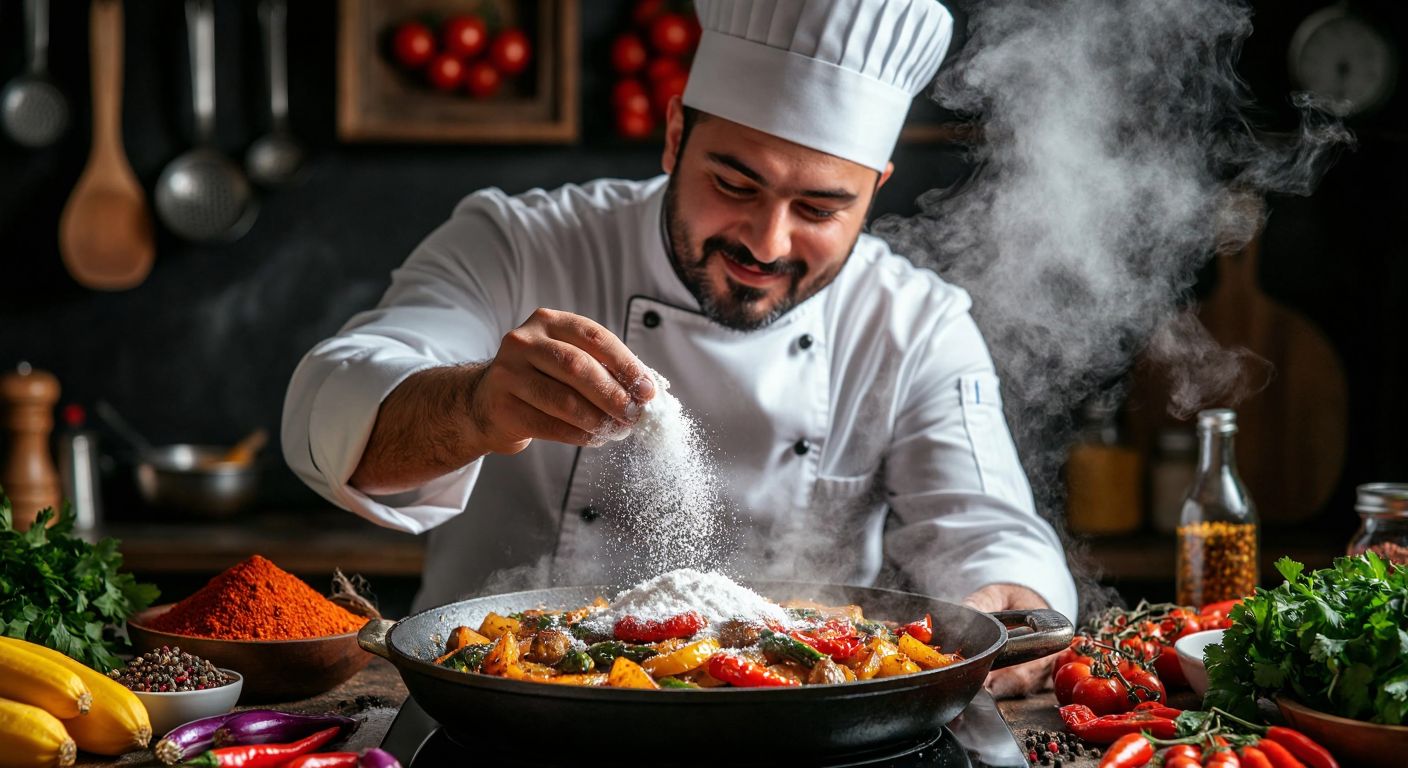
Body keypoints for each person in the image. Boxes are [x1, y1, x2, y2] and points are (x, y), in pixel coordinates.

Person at [282, 0, 1077, 696]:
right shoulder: (518, 245)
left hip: (805, 735)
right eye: (734, 185)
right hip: (500, 720)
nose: (767, 242)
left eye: (820, 207)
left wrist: (1006, 599)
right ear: (673, 137)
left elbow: (986, 530)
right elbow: (331, 413)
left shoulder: (915, 323)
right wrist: (473, 405)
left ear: (876, 188)